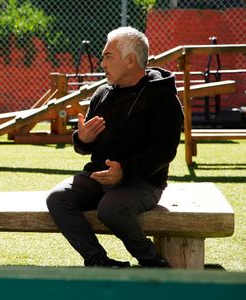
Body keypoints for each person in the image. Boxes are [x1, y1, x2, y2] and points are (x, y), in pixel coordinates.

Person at [46, 27, 183, 268]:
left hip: (143, 181)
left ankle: (151, 261)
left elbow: (165, 150)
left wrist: (125, 171)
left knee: (110, 208)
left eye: (108, 56)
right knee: (58, 198)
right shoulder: (102, 94)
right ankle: (98, 260)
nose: (102, 63)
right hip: (98, 176)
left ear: (130, 60)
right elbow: (83, 147)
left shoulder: (162, 96)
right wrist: (82, 139)